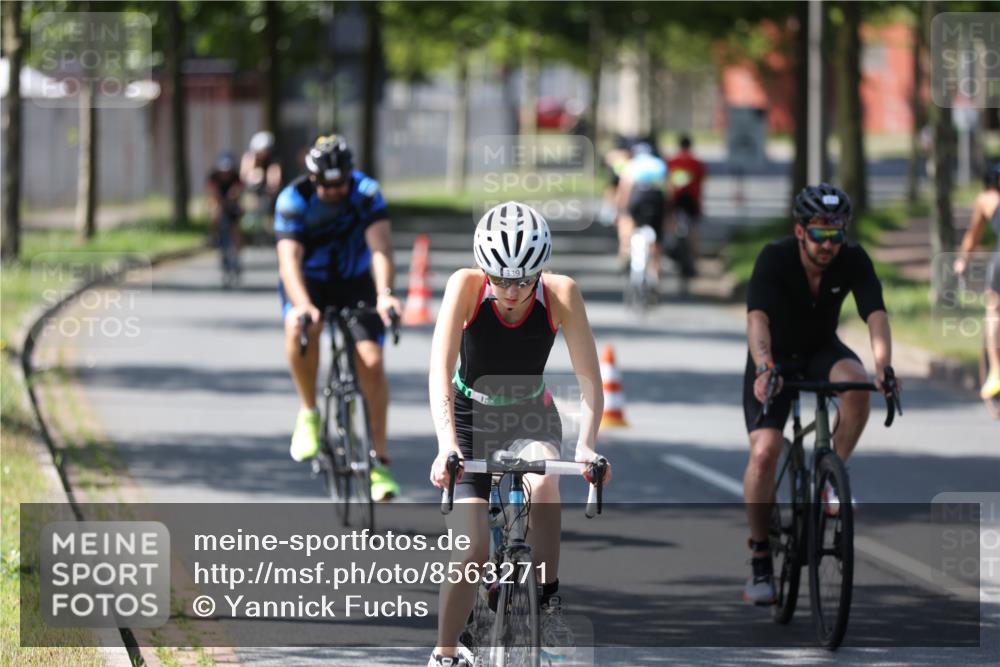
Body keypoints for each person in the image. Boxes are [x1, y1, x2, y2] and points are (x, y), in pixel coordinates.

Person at [427, 201, 612, 667]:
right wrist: (446, 443)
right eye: (501, 279)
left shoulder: (563, 294)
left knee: (544, 482)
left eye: (524, 280)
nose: (511, 291)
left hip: (530, 413)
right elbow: (439, 371)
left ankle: (547, 601)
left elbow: (591, 383)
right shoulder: (465, 286)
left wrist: (587, 444)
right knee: (470, 549)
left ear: (540, 272)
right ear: (484, 270)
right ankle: (445, 653)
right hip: (470, 417)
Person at [741, 184, 900, 604]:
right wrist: (764, 365)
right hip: (772, 355)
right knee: (764, 453)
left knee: (856, 384)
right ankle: (760, 556)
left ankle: (832, 478)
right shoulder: (774, 258)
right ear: (799, 232)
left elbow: (876, 314)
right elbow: (757, 318)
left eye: (836, 234)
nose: (828, 244)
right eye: (819, 234)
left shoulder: (852, 259)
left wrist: (884, 366)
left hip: (819, 351)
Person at [274, 135, 403, 501]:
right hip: (309, 283)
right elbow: (289, 261)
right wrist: (302, 305)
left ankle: (379, 462)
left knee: (373, 363)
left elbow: (380, 247)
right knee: (302, 325)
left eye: (340, 183)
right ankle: (309, 413)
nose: (334, 190)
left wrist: (385, 294)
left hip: (355, 281)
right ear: (313, 179)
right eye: (326, 184)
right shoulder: (293, 199)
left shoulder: (366, 193)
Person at [954, 162, 1000, 400]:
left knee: (994, 308)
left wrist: (962, 261)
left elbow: (973, 236)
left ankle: (996, 371)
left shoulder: (988, 198)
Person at [615, 142, 670, 283]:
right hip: (657, 198)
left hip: (637, 197)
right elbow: (668, 189)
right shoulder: (659, 164)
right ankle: (656, 270)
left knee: (628, 222)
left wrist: (622, 209)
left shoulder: (632, 164)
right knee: (657, 237)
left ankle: (626, 251)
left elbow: (625, 188)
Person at [667, 134, 708, 264]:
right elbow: (702, 181)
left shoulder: (672, 161)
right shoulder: (697, 163)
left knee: (671, 222)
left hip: (675, 198)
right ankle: (695, 257)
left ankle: (669, 245)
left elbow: (667, 180)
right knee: (693, 229)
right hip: (692, 198)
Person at [240, 131, 283, 242]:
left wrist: (271, 186)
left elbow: (275, 178)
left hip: (267, 191)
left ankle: (269, 228)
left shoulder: (273, 160)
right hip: (252, 190)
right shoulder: (250, 156)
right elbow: (244, 175)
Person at [206, 152, 244, 278]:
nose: (225, 174)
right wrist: (218, 207)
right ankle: (213, 236)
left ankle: (237, 256)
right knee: (214, 212)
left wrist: (233, 200)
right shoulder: (213, 177)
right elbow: (213, 195)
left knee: (235, 227)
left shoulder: (236, 177)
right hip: (219, 201)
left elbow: (237, 193)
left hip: (232, 203)